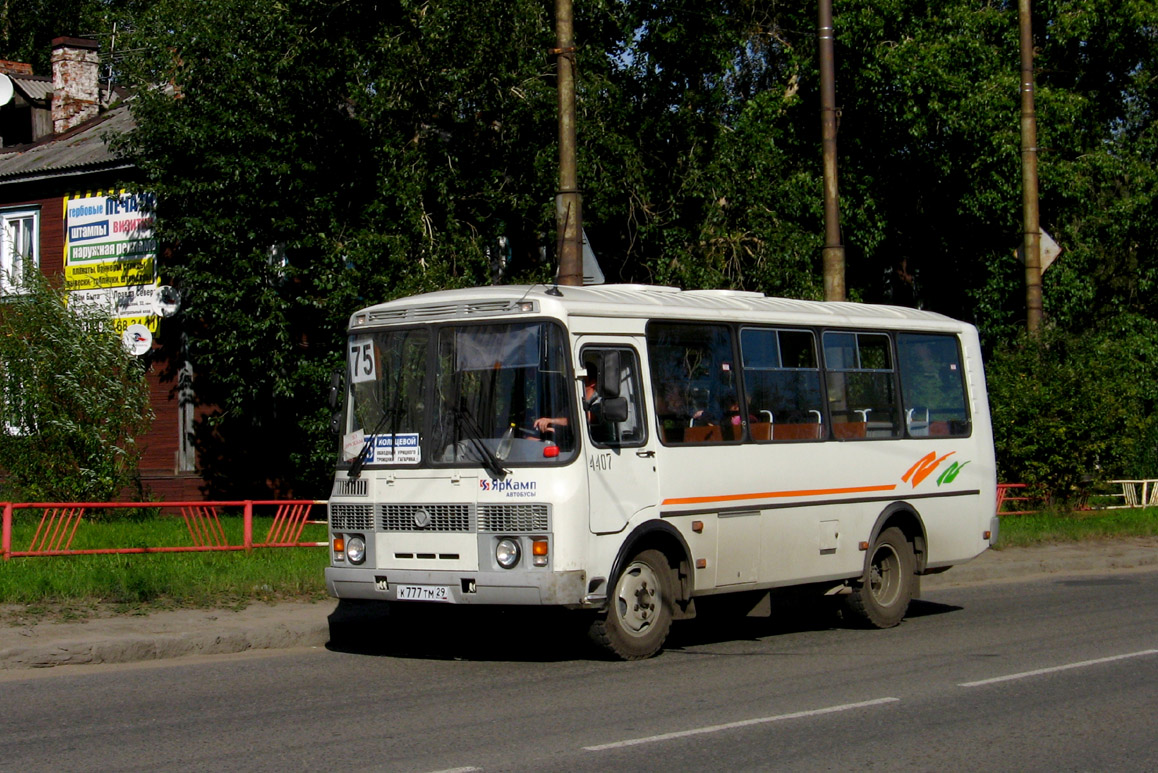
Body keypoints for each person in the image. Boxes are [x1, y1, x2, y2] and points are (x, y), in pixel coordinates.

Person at [533, 369, 597, 434]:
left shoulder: (598, 403)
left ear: (592, 383)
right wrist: (549, 429)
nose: (572, 383)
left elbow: (582, 419)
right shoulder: (573, 404)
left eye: (581, 380)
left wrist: (550, 421)